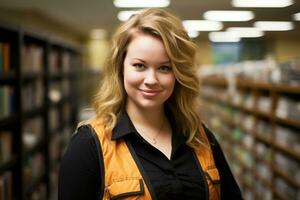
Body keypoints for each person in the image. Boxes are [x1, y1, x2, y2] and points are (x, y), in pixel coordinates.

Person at [58, 8, 243, 200]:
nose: (151, 79)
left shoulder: (201, 138)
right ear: (120, 68)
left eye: (164, 68)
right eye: (140, 65)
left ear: (178, 74)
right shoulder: (89, 145)